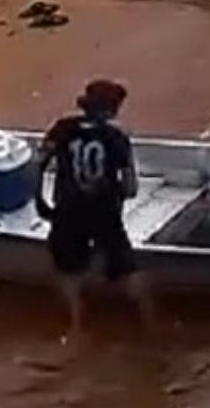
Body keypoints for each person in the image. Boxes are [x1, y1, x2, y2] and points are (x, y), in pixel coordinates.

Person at [35, 80, 158, 336]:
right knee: (127, 271)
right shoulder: (116, 138)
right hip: (105, 213)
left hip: (69, 211)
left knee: (68, 272)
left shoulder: (62, 129)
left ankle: (76, 327)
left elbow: (38, 163)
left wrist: (41, 200)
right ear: (112, 110)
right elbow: (131, 186)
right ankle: (151, 324)